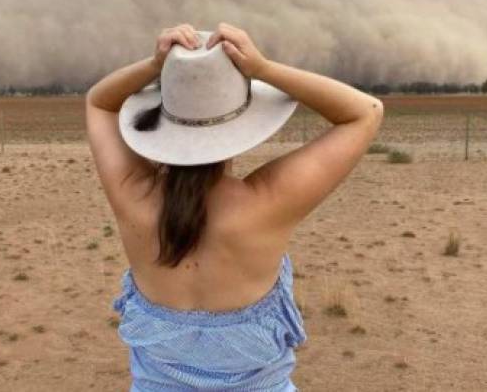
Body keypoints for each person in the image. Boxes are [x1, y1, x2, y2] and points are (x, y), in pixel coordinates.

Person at [85, 22, 384, 391]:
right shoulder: (268, 201)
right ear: (242, 122)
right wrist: (263, 69)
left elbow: (98, 103)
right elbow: (365, 111)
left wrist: (155, 64)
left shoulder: (132, 195)